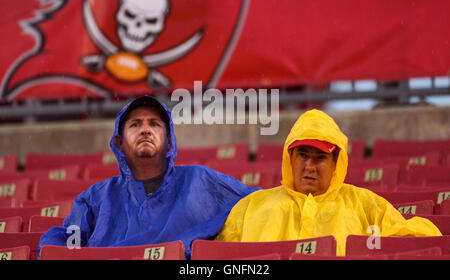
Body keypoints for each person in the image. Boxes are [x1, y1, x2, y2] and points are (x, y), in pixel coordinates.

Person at [38, 95, 258, 259]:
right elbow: (65, 242)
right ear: (119, 143)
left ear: (170, 140)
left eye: (154, 124)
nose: (145, 130)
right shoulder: (95, 198)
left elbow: (259, 204)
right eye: (135, 124)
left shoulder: (201, 181)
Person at [215, 109, 442, 256]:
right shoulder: (251, 206)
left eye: (320, 157)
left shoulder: (365, 206)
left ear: (336, 163)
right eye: (302, 155)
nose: (309, 166)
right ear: (289, 159)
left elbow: (420, 242)